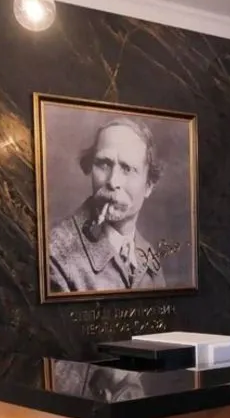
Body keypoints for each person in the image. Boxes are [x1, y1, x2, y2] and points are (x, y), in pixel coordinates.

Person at [48, 117, 166, 293]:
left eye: (127, 169)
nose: (113, 181)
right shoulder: (55, 253)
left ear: (148, 185)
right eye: (103, 164)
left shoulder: (149, 256)